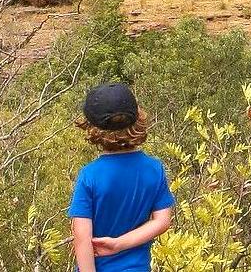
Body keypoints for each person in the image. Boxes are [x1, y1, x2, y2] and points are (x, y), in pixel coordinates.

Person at [68, 83, 174, 272]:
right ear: (137, 120)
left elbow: (82, 238)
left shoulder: (89, 176)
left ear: (92, 128)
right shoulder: (154, 169)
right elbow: (162, 221)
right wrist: (118, 244)